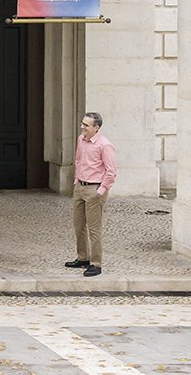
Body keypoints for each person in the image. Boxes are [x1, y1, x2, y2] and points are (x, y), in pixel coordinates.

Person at [65, 111, 116, 277]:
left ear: (96, 127)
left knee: (94, 229)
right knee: (78, 225)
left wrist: (99, 192)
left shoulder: (104, 145)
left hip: (95, 189)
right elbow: (78, 161)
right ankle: (83, 258)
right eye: (82, 123)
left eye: (86, 125)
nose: (82, 127)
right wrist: (76, 182)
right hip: (80, 187)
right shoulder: (81, 140)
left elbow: (111, 172)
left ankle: (96, 263)